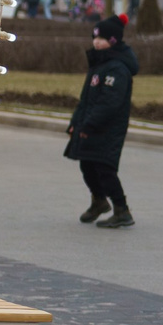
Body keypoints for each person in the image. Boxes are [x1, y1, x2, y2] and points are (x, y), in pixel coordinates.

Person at [67, 16, 138, 229]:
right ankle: (99, 201)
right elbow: (86, 99)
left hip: (108, 128)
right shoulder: (99, 64)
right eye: (95, 38)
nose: (97, 42)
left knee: (104, 168)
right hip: (90, 125)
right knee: (87, 164)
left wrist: (90, 124)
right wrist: (75, 122)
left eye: (103, 39)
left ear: (114, 41)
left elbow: (109, 103)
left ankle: (122, 210)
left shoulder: (117, 68)